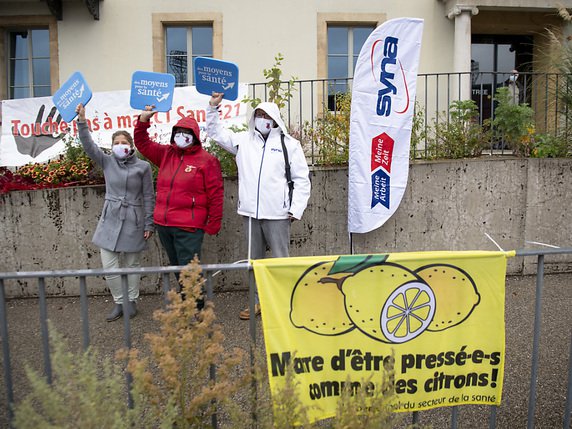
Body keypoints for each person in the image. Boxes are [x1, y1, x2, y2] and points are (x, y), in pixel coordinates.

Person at [207, 92, 311, 320]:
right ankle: (257, 302)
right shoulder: (244, 142)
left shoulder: (289, 145)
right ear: (254, 118)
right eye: (259, 115)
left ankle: (284, 303)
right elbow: (216, 134)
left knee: (281, 261)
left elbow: (302, 178)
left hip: (278, 214)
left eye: (267, 115)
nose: (263, 119)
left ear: (274, 119)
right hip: (250, 214)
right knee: (254, 262)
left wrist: (296, 208)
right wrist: (213, 108)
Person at [134, 105, 224, 307]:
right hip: (164, 224)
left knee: (189, 270)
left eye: (187, 133)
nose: (182, 136)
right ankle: (187, 303)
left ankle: (197, 310)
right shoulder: (166, 154)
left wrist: (214, 222)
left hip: (189, 227)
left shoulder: (207, 161)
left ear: (195, 136)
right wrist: (143, 121)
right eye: (179, 132)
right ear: (174, 134)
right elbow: (142, 143)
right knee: (177, 268)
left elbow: (216, 193)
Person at [75, 103, 155, 322]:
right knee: (109, 265)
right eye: (116, 143)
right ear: (112, 146)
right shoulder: (107, 161)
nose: (120, 146)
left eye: (124, 142)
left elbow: (149, 195)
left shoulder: (143, 167)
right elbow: (88, 145)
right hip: (110, 219)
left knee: (132, 265)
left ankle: (132, 301)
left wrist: (149, 224)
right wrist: (82, 121)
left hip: (134, 220)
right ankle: (119, 302)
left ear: (131, 146)